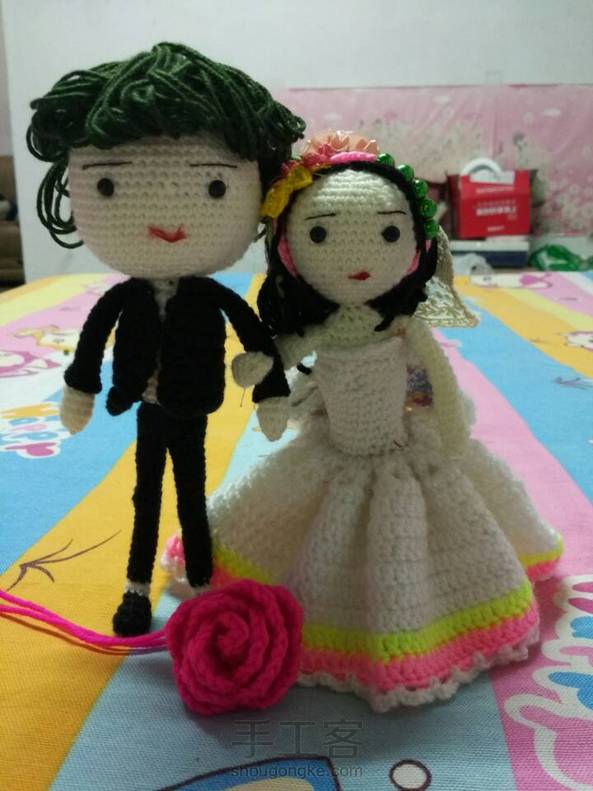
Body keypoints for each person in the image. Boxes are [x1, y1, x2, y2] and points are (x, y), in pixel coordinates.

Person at [162, 131, 562, 710]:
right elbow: (290, 348)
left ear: (415, 245)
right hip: (335, 447)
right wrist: (263, 362)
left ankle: (432, 631)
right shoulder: (328, 328)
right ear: (291, 250)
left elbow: (438, 377)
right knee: (280, 521)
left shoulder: (402, 326)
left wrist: (453, 430)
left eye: (389, 233)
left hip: (402, 448)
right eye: (320, 234)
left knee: (434, 533)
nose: (358, 259)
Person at [28, 42, 305, 636]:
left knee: (192, 497)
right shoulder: (125, 298)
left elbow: (256, 339)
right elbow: (92, 338)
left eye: (214, 188)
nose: (166, 218)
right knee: (146, 496)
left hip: (193, 405)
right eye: (108, 186)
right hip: (146, 408)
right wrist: (81, 385)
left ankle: (200, 581)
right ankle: (136, 587)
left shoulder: (213, 298)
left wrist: (269, 390)